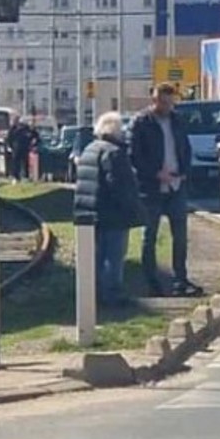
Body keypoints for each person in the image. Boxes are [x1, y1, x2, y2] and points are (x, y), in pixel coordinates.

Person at [130, 83, 202, 298]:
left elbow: (185, 148)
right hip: (151, 188)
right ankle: (152, 282)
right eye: (161, 102)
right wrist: (154, 173)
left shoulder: (177, 121)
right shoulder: (141, 122)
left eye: (170, 103)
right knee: (149, 236)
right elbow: (134, 156)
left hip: (176, 186)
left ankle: (180, 279)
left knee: (180, 235)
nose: (166, 106)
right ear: (153, 100)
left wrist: (184, 171)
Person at [73, 112, 145, 307]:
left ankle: (93, 294)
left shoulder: (89, 149)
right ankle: (112, 295)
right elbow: (119, 184)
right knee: (113, 256)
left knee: (96, 256)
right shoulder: (114, 152)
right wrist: (133, 208)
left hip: (89, 211)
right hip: (112, 212)